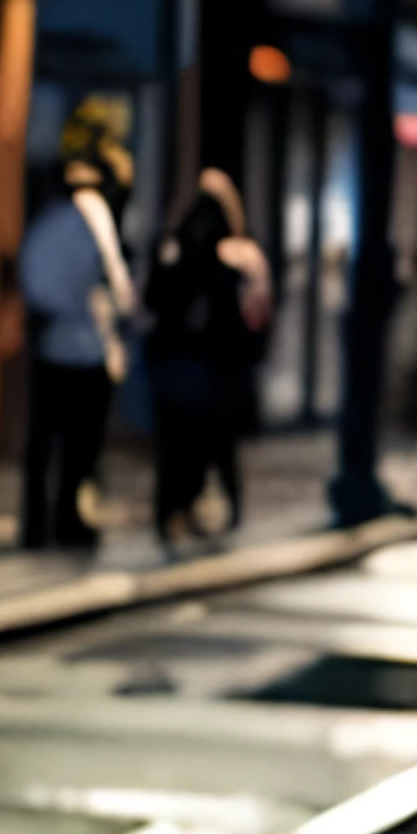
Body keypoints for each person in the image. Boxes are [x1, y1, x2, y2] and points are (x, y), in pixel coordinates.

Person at [15, 136, 134, 551]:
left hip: (51, 344)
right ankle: (68, 520)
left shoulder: (46, 220)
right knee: (79, 444)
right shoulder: (92, 216)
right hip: (85, 347)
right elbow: (114, 278)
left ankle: (35, 524)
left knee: (44, 440)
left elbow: (31, 277)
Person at [143, 168, 272, 551]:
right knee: (217, 443)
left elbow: (151, 301)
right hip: (217, 365)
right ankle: (219, 507)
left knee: (174, 445)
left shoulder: (172, 246)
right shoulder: (239, 255)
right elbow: (259, 312)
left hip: (173, 361)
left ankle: (171, 512)